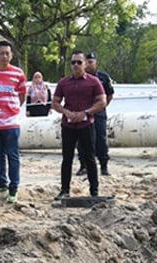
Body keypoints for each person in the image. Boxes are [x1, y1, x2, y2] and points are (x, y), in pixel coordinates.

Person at [51, 50, 106, 201]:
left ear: (85, 64)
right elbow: (54, 102)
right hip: (68, 125)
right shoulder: (64, 82)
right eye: (73, 62)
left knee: (89, 158)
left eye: (79, 62)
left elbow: (102, 102)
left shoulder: (93, 81)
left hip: (86, 124)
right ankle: (64, 190)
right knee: (67, 158)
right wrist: (66, 112)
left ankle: (94, 190)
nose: (76, 65)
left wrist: (86, 113)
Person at [0, 41, 26, 204]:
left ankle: (14, 188)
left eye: (8, 53)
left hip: (11, 123)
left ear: (12, 55)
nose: (5, 56)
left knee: (12, 155)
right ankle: (2, 184)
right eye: (2, 53)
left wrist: (11, 109)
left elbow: (22, 95)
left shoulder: (18, 74)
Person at [77, 52, 115, 176]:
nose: (88, 65)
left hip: (98, 113)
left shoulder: (103, 77)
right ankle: (83, 166)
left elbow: (109, 95)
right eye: (86, 62)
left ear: (96, 63)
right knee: (83, 140)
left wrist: (101, 107)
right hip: (84, 114)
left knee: (101, 139)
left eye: (91, 62)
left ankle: (104, 166)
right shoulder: (79, 78)